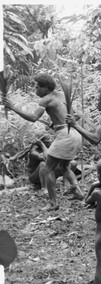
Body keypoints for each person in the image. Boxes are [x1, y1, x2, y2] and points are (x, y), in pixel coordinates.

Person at [4, 73, 84, 210]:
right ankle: (77, 191)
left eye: (37, 87)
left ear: (46, 88)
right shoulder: (62, 95)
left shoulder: (46, 99)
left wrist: (13, 107)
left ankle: (53, 203)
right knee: (64, 167)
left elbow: (33, 117)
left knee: (47, 169)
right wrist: (57, 123)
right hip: (75, 133)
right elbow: (73, 115)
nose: (35, 90)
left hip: (65, 135)